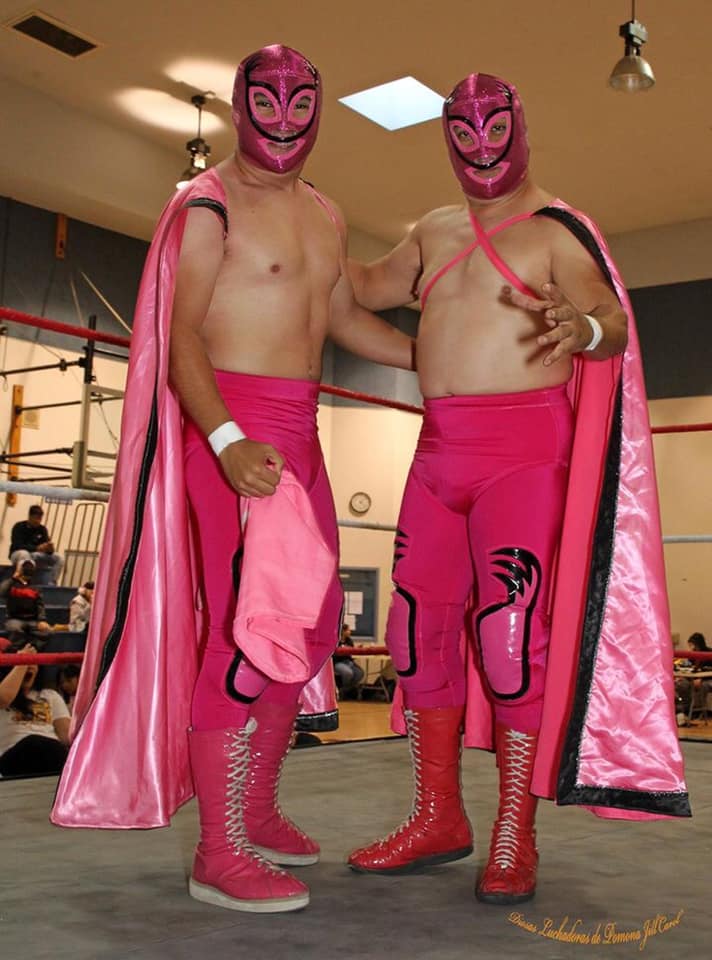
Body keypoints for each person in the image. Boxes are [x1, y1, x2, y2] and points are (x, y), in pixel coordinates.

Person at [52, 44, 414, 915]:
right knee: (248, 633)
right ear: (239, 104)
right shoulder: (208, 204)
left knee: (307, 629)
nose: (284, 120)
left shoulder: (323, 210)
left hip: (299, 436)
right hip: (234, 429)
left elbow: (341, 314)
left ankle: (254, 809)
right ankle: (218, 852)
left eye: (301, 103)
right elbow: (180, 335)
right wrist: (222, 439)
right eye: (268, 101)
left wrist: (442, 364)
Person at [346, 72, 689, 903]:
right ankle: (437, 815)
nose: (479, 144)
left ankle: (514, 831)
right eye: (461, 129)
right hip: (438, 453)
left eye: (493, 126)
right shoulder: (432, 230)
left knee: (508, 639)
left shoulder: (557, 230)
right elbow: (361, 289)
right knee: (412, 634)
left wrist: (587, 327)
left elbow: (612, 323)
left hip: (525, 457)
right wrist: (302, 233)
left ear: (520, 127)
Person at [0, 644, 70, 777]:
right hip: (12, 756)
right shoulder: (5, 695)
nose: (29, 666)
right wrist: (21, 662)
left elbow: (67, 736)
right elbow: (3, 698)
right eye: (25, 664)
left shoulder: (49, 695)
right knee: (34, 743)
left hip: (51, 752)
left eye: (33, 663)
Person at [0, 559, 52, 648]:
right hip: (14, 619)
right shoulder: (11, 584)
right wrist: (13, 578)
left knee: (47, 631)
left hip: (32, 620)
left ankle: (32, 648)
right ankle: (15, 652)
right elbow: (1, 591)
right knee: (16, 630)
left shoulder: (35, 588)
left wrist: (42, 620)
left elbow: (40, 605)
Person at [9, 505, 63, 586]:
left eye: (40, 519)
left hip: (36, 555)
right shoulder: (19, 526)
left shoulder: (42, 529)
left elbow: (47, 548)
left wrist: (50, 549)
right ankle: (21, 577)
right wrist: (36, 548)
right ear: (30, 516)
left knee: (59, 558)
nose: (38, 521)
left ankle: (52, 582)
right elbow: (17, 545)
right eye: (36, 518)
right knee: (24, 554)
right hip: (18, 554)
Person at [675, 632, 712, 720]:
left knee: (702, 686)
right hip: (693, 678)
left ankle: (698, 711)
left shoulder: (709, 654)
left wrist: (701, 679)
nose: (691, 648)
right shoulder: (692, 655)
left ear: (698, 644)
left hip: (707, 679)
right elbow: (689, 667)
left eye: (692, 645)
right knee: (682, 684)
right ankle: (685, 709)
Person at [333, 623, 364, 699]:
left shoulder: (349, 640)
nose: (350, 632)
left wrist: (357, 648)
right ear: (343, 631)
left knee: (360, 673)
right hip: (338, 662)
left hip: (348, 661)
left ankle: (346, 689)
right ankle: (342, 688)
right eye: (348, 630)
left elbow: (352, 651)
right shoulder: (336, 640)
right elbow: (334, 653)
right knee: (348, 673)